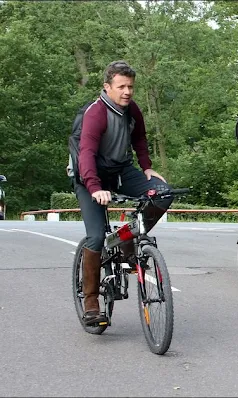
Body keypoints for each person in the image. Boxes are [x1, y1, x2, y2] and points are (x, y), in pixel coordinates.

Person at [72, 60, 173, 326]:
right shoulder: (96, 113)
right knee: (95, 237)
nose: (127, 92)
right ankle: (91, 300)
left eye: (130, 87)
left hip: (120, 170)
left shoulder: (132, 110)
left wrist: (147, 168)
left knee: (162, 194)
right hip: (89, 176)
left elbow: (139, 139)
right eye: (121, 87)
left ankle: (129, 238)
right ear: (107, 87)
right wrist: (95, 188)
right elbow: (86, 155)